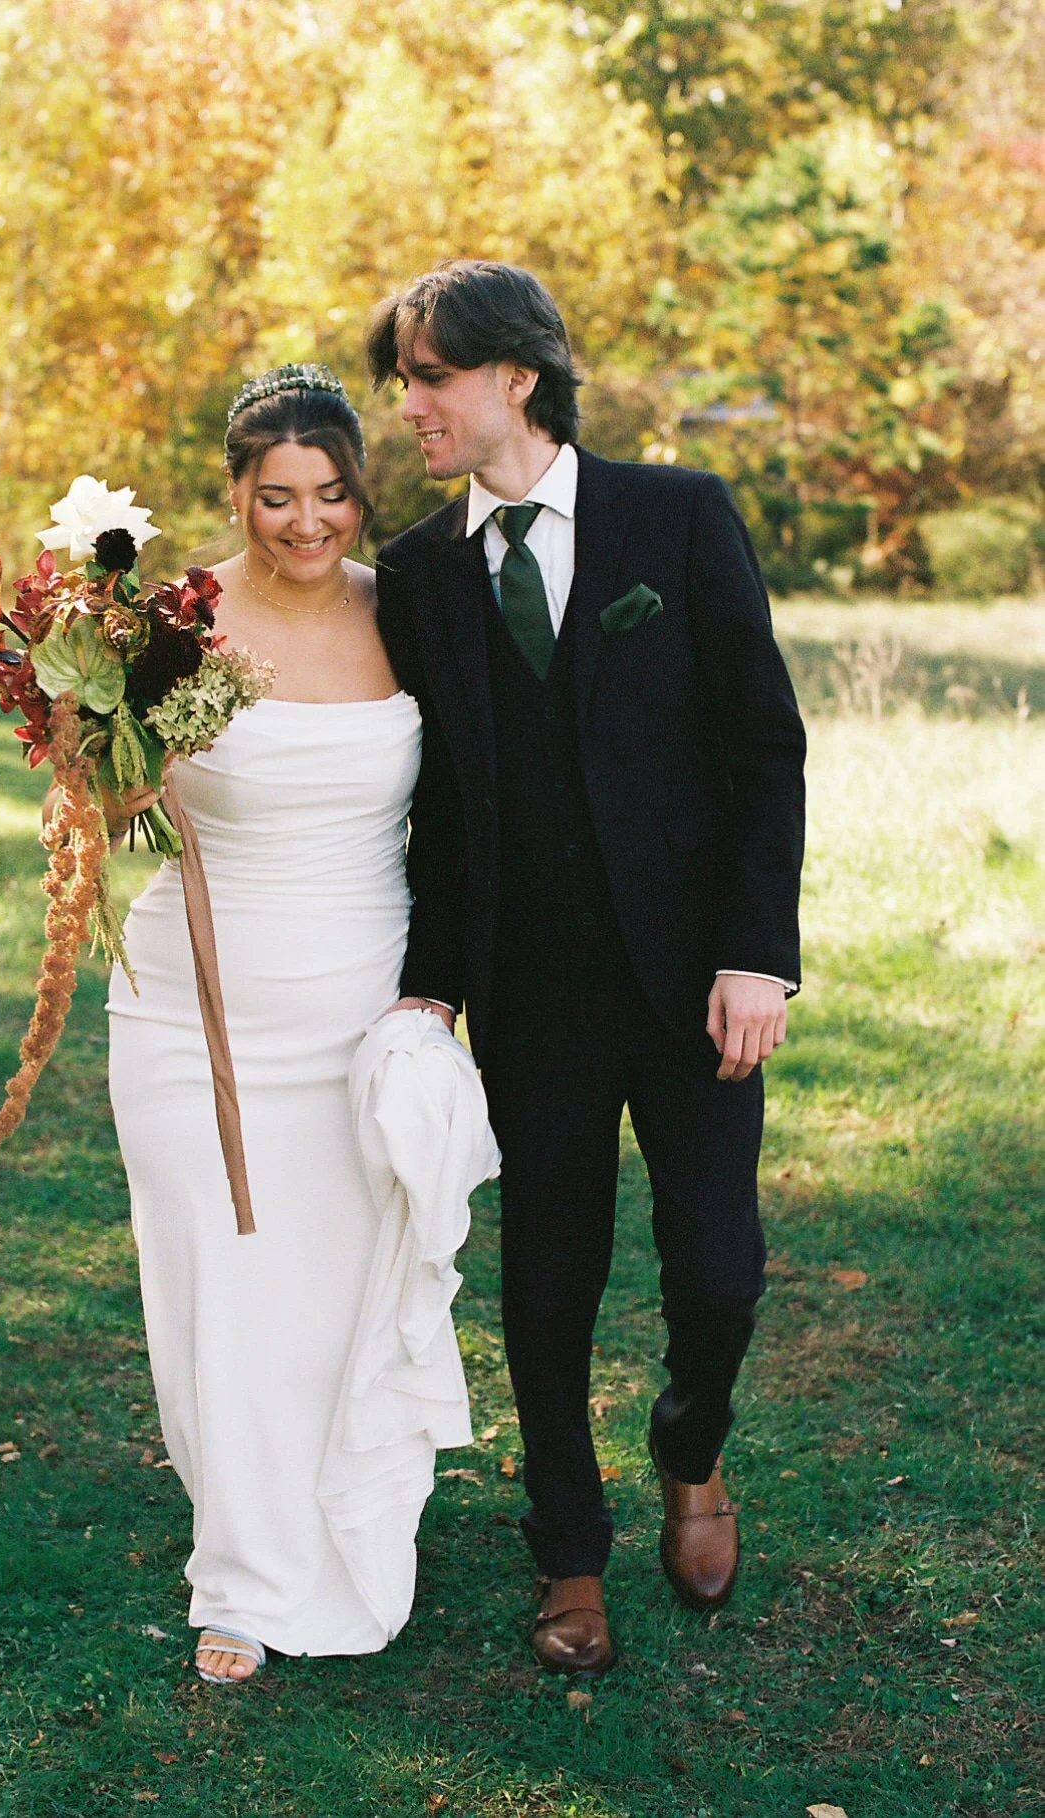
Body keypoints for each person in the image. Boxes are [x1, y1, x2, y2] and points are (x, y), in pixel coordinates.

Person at [368, 262, 808, 1679]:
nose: (412, 404)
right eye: (406, 380)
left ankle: (692, 1446)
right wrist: (432, 986)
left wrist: (757, 955)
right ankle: (569, 1548)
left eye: (432, 377)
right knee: (548, 1284)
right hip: (534, 996)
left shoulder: (679, 517)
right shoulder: (420, 572)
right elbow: (439, 803)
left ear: (519, 377)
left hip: (696, 988)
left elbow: (764, 747)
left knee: (721, 1272)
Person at [105, 365, 480, 1687]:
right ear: (237, 494)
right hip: (190, 1011)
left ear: (359, 493)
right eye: (277, 497)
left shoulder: (408, 610)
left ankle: (345, 1521)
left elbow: (470, 801)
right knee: (218, 1291)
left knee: (330, 1295)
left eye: (330, 494)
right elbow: (114, 811)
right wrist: (101, 760)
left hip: (359, 1001)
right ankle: (242, 1574)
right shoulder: (173, 624)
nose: (307, 522)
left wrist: (442, 988)